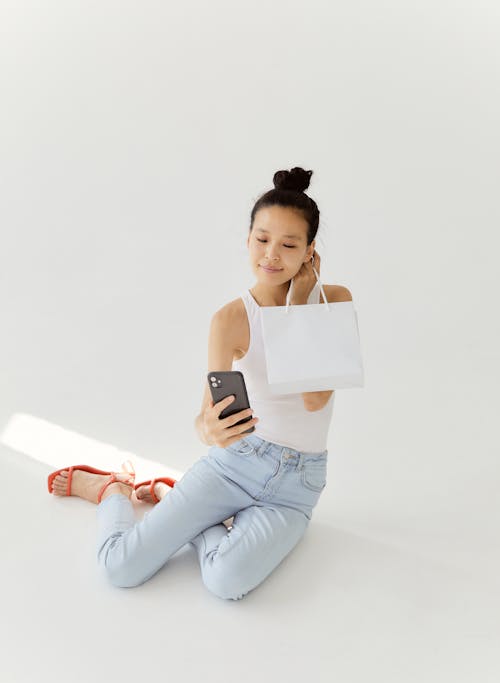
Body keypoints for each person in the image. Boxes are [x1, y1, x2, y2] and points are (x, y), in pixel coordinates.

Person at [48, 166, 353, 600]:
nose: (271, 255)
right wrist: (206, 429)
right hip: (235, 465)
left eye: (288, 245)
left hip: (295, 489)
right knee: (120, 569)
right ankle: (113, 491)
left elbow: (315, 398)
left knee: (225, 582)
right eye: (262, 239)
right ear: (248, 239)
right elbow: (207, 419)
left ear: (309, 251)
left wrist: (300, 304)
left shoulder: (333, 302)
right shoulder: (229, 320)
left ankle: (199, 520)